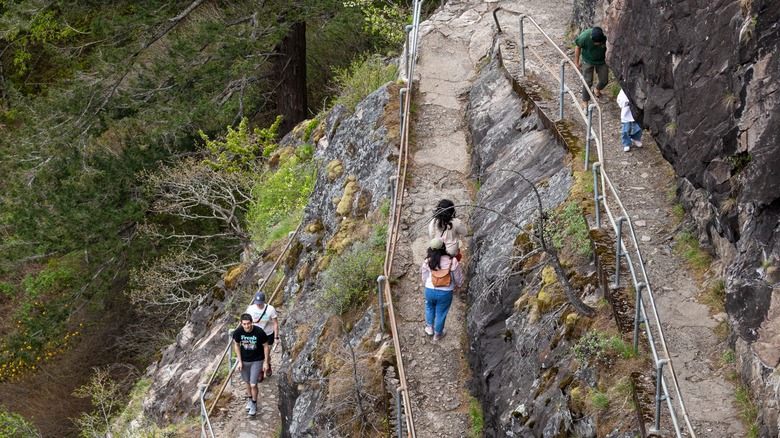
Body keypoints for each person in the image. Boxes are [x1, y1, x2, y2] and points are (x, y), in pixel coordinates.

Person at [421, 237, 464, 341]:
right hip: (446, 291)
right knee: (441, 312)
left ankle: (429, 327)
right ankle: (437, 334)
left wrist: (427, 284)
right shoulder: (452, 261)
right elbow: (458, 276)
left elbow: (424, 275)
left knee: (429, 306)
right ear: (444, 247)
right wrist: (458, 285)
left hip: (430, 289)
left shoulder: (428, 260)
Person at [232, 313, 269, 416]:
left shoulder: (259, 332)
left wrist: (266, 362)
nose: (247, 326)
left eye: (248, 323)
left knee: (253, 384)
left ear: (252, 322)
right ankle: (249, 399)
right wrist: (239, 361)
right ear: (241, 324)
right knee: (247, 382)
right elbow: (236, 345)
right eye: (244, 324)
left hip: (257, 360)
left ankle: (254, 403)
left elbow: (266, 346)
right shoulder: (238, 332)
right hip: (244, 360)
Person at [245, 291, 279, 379]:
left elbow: (275, 323)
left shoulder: (270, 309)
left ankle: (267, 364)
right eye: (257, 303)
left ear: (264, 301)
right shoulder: (251, 309)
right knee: (258, 354)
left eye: (260, 303)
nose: (258, 305)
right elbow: (246, 321)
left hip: (268, 334)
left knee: (266, 354)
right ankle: (261, 370)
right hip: (256, 335)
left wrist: (276, 337)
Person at [573, 26, 608, 110]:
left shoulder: (606, 37)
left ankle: (596, 90)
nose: (596, 44)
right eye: (595, 42)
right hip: (588, 60)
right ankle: (585, 103)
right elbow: (578, 47)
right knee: (587, 82)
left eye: (598, 43)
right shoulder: (584, 37)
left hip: (602, 61)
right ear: (591, 37)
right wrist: (576, 62)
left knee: (604, 80)